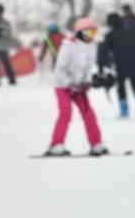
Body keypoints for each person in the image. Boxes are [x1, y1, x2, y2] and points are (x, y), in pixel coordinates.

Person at [45, 17, 108, 156]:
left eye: (93, 33)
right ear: (80, 32)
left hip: (79, 87)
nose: (91, 36)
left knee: (89, 114)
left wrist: (88, 81)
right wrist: (69, 84)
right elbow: (60, 69)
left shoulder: (92, 47)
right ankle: (56, 145)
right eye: (89, 33)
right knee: (66, 113)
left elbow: (88, 67)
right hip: (63, 86)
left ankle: (96, 144)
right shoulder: (69, 45)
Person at [99, 12, 135, 119]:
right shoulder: (132, 32)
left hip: (120, 64)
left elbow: (104, 51)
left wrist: (104, 65)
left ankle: (124, 111)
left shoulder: (110, 35)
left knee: (121, 87)